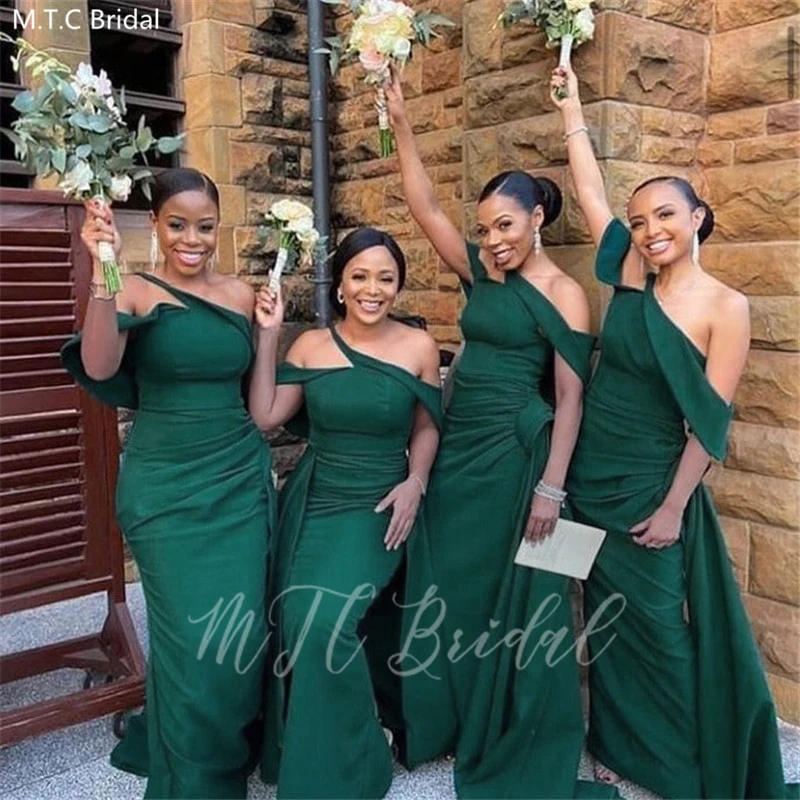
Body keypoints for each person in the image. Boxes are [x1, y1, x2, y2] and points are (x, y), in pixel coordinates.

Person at [551, 64, 797, 799]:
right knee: (600, 619)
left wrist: (672, 508)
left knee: (658, 628)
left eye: (665, 215)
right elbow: (590, 193)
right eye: (640, 219)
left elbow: (710, 423)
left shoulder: (726, 307)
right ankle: (614, 745)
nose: (650, 229)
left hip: (650, 490)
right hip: (585, 476)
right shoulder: (630, 273)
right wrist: (571, 108)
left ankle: (681, 766)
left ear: (697, 217)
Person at [384, 73, 615, 799]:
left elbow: (571, 398)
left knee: (521, 595)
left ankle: (515, 729)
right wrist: (402, 121)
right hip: (457, 446)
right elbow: (423, 207)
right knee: (449, 585)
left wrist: (552, 487)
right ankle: (447, 719)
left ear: (536, 218)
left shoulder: (567, 294)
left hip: (519, 458)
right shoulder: (482, 269)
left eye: (505, 226)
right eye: (485, 229)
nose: (493, 240)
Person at [61, 168, 273, 799]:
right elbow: (99, 365)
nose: (192, 239)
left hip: (237, 482)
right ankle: (194, 780)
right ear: (154, 224)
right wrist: (102, 269)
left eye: (205, 227)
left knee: (237, 635)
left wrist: (269, 334)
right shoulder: (132, 289)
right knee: (190, 642)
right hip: (165, 490)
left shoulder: (241, 294)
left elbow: (259, 401)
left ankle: (218, 749)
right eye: (177, 225)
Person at [252, 227, 442, 799]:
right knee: (298, 621)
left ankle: (355, 763)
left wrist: (415, 482)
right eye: (360, 276)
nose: (372, 289)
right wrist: (267, 335)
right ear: (340, 286)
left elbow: (427, 426)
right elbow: (266, 416)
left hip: (380, 503)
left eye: (386, 278)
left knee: (326, 625)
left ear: (399, 286)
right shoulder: (310, 346)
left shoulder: (419, 347)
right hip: (315, 500)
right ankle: (352, 743)